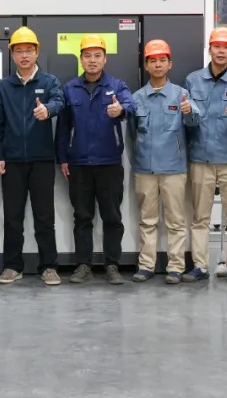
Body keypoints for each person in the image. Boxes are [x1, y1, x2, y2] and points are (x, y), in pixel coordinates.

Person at [55, 34, 135, 285]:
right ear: (81, 59)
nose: (92, 60)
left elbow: (132, 105)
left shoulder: (117, 86)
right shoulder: (70, 89)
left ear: (105, 59)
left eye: (97, 55)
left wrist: (120, 109)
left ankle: (112, 265)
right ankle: (83, 265)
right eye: (87, 56)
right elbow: (63, 128)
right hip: (78, 164)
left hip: (109, 162)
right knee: (82, 217)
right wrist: (63, 158)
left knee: (112, 217)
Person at [0, 26, 65, 286]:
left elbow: (59, 101)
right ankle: (12, 266)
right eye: (19, 51)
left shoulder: (49, 82)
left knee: (44, 217)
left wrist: (48, 110)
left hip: (42, 160)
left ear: (37, 52)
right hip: (11, 162)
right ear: (12, 54)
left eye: (28, 50)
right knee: (13, 218)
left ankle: (49, 266)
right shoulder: (4, 87)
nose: (24, 55)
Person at [183, 27, 227, 284]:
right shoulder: (193, 80)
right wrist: (188, 112)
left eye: (226, 47)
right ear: (210, 49)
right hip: (201, 158)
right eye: (217, 46)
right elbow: (189, 122)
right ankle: (200, 266)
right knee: (200, 217)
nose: (221, 51)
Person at [129, 40, 200, 284]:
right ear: (146, 65)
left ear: (170, 64)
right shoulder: (137, 98)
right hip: (145, 168)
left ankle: (176, 267)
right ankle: (146, 265)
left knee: (175, 221)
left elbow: (194, 125)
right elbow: (133, 132)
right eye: (153, 61)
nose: (158, 65)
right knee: (147, 220)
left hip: (173, 168)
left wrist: (190, 112)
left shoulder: (182, 95)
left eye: (162, 60)